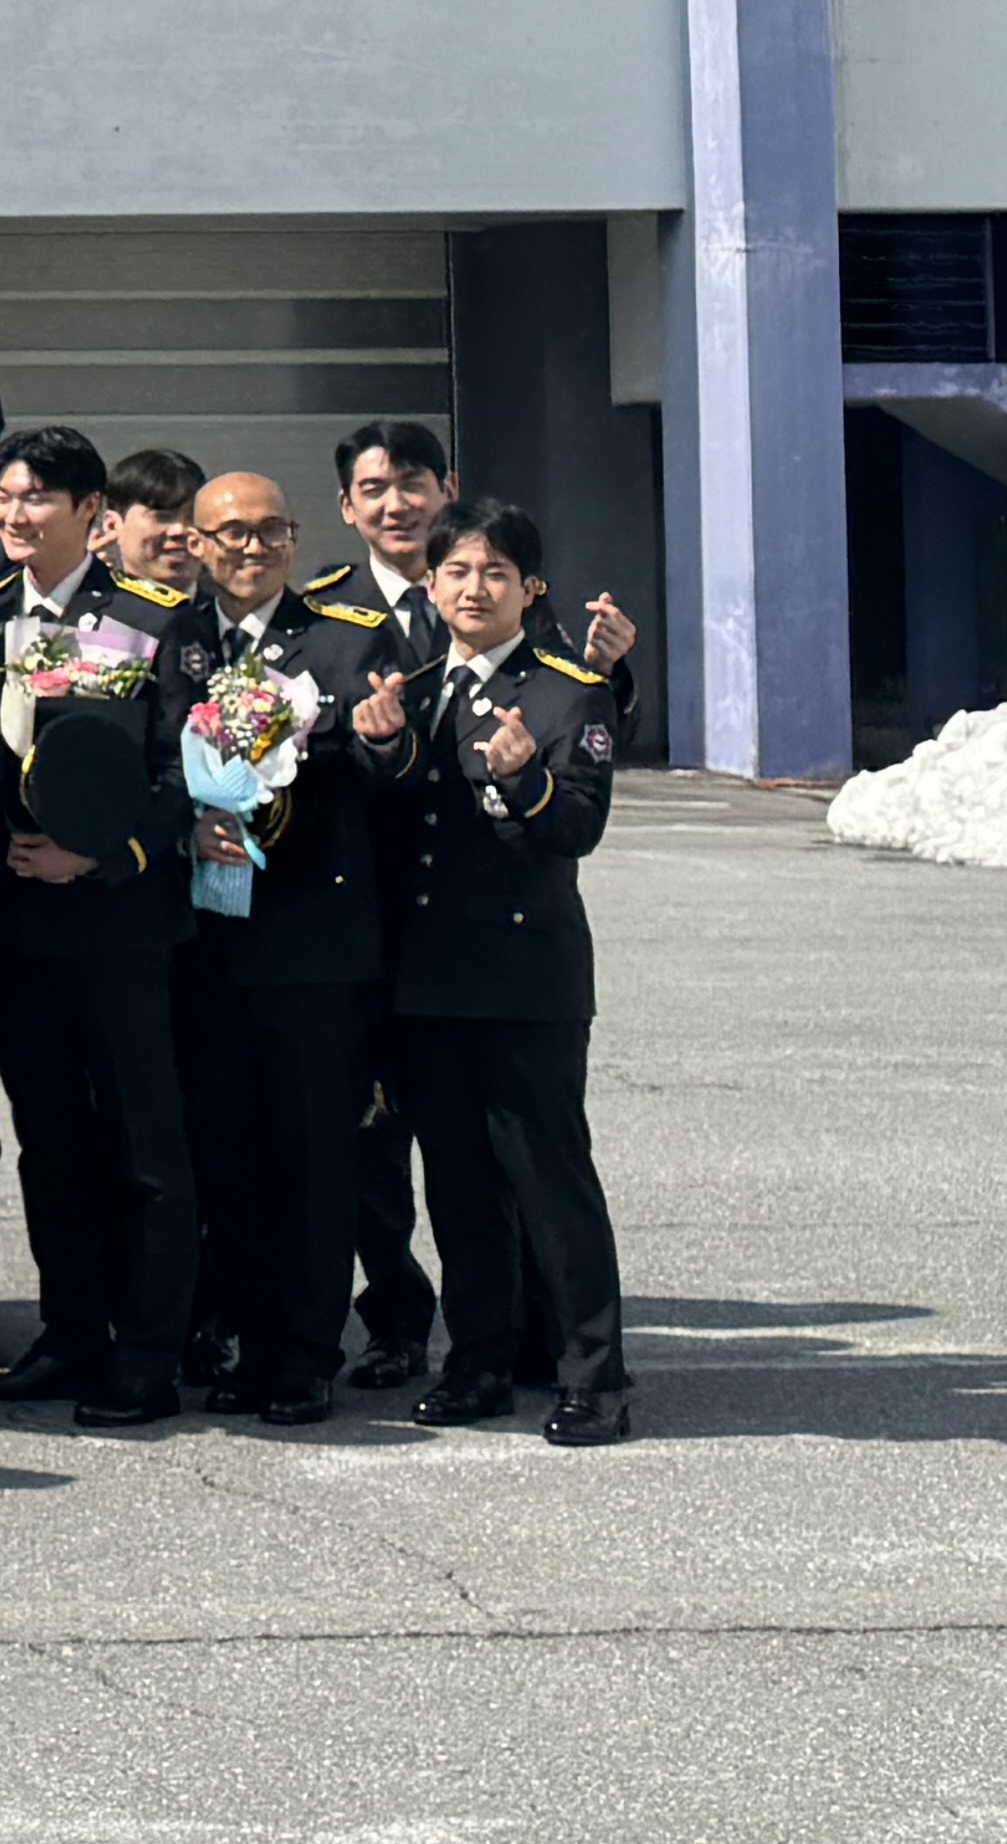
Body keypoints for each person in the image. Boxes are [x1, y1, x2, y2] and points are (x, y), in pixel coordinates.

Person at [0, 427, 202, 1426]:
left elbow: (189, 772)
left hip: (120, 923)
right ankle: (73, 1332)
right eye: (4, 495)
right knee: (49, 1143)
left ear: (94, 513)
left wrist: (103, 856)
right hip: (16, 930)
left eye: (38, 496)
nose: (14, 513)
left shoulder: (152, 619)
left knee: (144, 1145)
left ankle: (150, 1352)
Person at [355, 497, 635, 1445]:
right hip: (428, 982)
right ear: (431, 586)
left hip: (524, 983)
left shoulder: (566, 691)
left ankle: (593, 1375)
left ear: (530, 587)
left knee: (550, 1184)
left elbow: (577, 826)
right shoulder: (413, 686)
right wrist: (383, 745)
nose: (474, 589)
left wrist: (526, 778)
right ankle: (477, 1358)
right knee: (459, 1183)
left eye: (495, 573)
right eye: (457, 572)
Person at [161, 469, 405, 1424]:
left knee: (313, 1155)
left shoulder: (346, 638)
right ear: (196, 543)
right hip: (205, 942)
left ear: (296, 539)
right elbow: (148, 756)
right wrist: (186, 822)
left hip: (312, 941)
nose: (252, 549)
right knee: (226, 1153)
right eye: (231, 533)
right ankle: (249, 1341)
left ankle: (307, 1352)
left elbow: (385, 767)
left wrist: (373, 743)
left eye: (271, 531)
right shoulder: (171, 639)